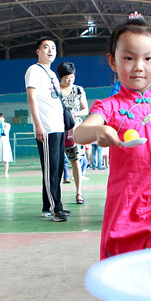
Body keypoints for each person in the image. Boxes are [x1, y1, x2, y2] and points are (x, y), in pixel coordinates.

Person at [73, 13, 151, 259]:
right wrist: (99, 130)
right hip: (125, 207)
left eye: (148, 58)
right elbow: (79, 134)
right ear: (113, 61)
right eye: (128, 58)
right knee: (127, 271)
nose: (138, 66)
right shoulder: (108, 106)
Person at [25, 37, 70, 222]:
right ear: (38, 51)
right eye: (46, 47)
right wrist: (38, 125)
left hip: (58, 127)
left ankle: (48, 205)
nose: (50, 50)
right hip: (47, 128)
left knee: (57, 169)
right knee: (50, 170)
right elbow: (32, 98)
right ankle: (55, 208)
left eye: (53, 47)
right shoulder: (33, 70)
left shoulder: (51, 73)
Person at [57, 61, 90, 204]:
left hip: (75, 131)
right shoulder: (55, 90)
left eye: (72, 77)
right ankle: (57, 195)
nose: (70, 80)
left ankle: (79, 193)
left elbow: (85, 109)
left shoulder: (78, 90)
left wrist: (75, 114)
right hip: (58, 130)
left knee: (76, 161)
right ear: (61, 77)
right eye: (67, 78)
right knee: (58, 163)